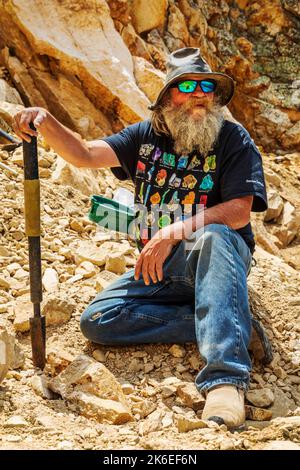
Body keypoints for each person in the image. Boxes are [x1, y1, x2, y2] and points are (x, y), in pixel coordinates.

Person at [12, 47, 268, 429]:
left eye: (206, 87)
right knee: (99, 321)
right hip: (160, 269)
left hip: (213, 259)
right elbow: (83, 154)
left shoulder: (233, 139)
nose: (200, 93)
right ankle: (233, 322)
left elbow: (239, 211)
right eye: (187, 86)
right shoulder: (144, 137)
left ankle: (225, 381)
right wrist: (46, 122)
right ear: (167, 97)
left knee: (213, 234)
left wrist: (174, 230)